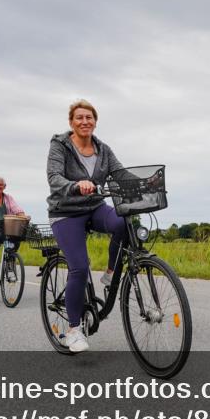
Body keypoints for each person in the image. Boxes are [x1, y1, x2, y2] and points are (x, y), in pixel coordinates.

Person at [46, 99, 127, 352]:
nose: (85, 122)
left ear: (95, 121)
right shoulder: (60, 146)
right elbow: (54, 177)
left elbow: (121, 173)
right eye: (79, 118)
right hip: (66, 212)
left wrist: (148, 182)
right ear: (71, 122)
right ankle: (73, 330)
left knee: (124, 222)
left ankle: (111, 272)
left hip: (93, 208)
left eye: (89, 117)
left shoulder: (103, 149)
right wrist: (75, 184)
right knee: (79, 268)